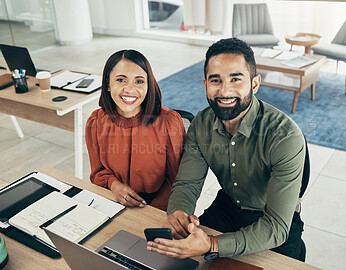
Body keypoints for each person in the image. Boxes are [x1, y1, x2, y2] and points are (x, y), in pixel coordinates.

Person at [146, 38, 307, 261]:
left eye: (235, 79)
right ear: (205, 84)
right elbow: (188, 183)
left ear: (255, 83)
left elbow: (277, 226)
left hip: (274, 220)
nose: (224, 91)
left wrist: (212, 244)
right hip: (229, 206)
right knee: (180, 260)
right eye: (216, 80)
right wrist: (179, 213)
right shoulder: (202, 123)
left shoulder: (284, 135)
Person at [85, 49, 185, 211]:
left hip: (158, 208)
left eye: (139, 81)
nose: (130, 89)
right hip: (113, 201)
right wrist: (114, 185)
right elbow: (98, 173)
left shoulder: (169, 122)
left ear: (148, 85)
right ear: (108, 85)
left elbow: (178, 181)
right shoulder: (96, 122)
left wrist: (150, 211)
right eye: (121, 80)